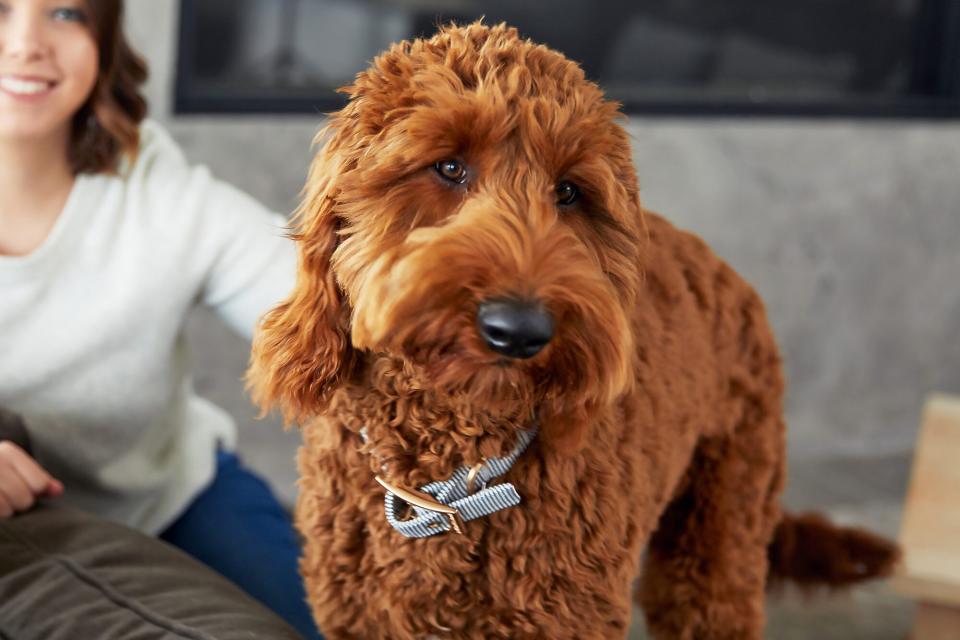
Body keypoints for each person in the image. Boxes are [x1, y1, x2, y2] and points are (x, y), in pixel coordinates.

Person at [0, 1, 322, 638]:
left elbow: (321, 304)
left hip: (175, 493)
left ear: (106, 38)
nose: (26, 44)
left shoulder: (160, 191)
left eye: (66, 12)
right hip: (24, 528)